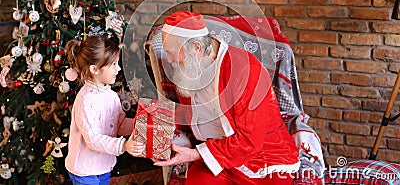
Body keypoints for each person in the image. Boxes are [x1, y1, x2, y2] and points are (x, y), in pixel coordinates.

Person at [154, 11, 300, 185]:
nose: (169, 60)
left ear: (197, 48)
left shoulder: (244, 70)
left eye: (172, 52)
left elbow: (250, 141)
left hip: (263, 159)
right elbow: (192, 114)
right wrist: (149, 118)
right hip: (218, 156)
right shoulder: (191, 69)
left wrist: (196, 154)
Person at [64, 35, 144, 185]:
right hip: (85, 170)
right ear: (94, 69)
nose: (118, 68)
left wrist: (138, 124)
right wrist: (123, 146)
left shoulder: (112, 96)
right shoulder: (85, 100)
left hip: (103, 166)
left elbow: (118, 124)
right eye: (113, 64)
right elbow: (93, 140)